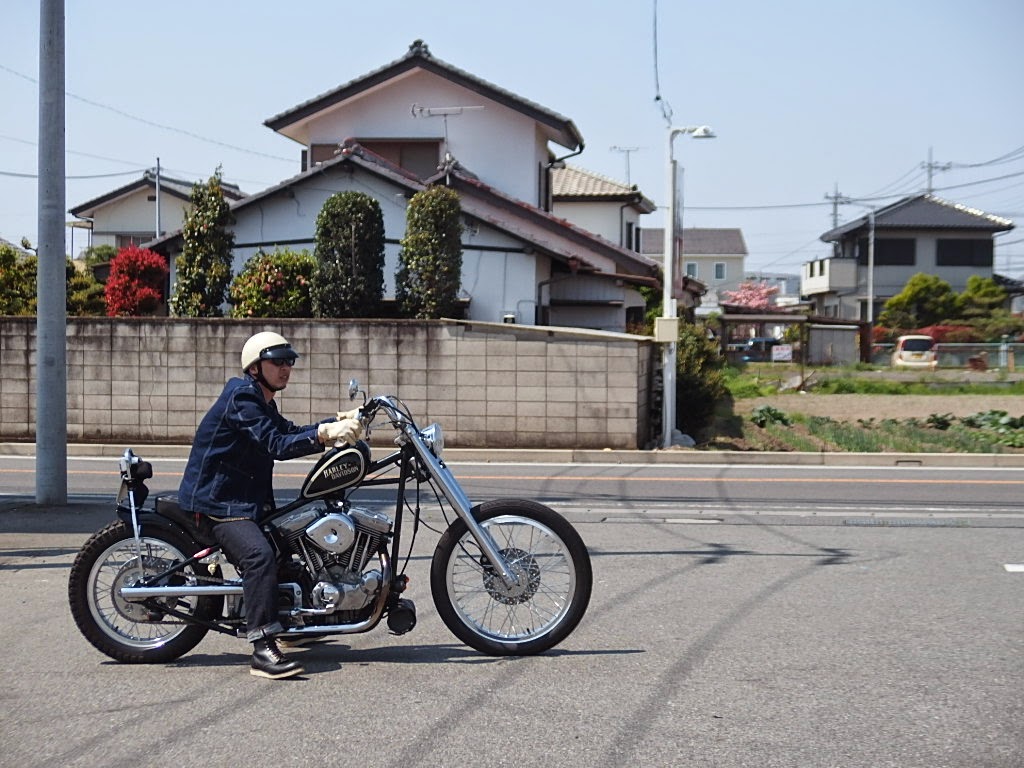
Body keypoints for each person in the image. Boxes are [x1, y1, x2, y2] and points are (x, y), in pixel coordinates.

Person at [178, 331, 362, 679]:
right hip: (219, 505)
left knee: (291, 539)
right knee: (259, 557)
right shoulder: (241, 398)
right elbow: (276, 444)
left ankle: (294, 621)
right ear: (254, 367)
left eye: (289, 361)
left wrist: (334, 424)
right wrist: (324, 435)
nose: (285, 368)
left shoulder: (262, 401)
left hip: (244, 502)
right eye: (277, 361)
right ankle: (263, 648)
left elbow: (289, 430)